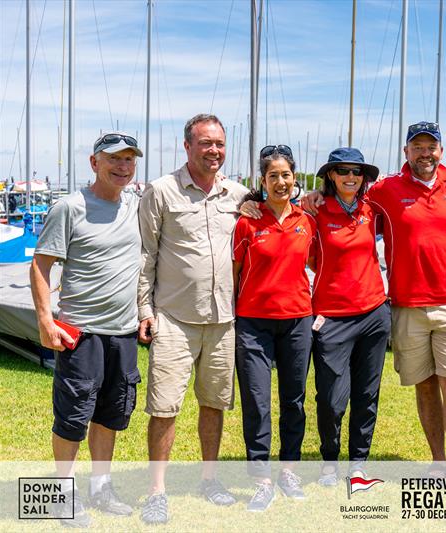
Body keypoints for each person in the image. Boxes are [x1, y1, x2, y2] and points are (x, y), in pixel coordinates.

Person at [303, 122, 446, 487]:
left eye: (431, 147)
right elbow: (298, 219)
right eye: (417, 147)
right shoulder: (384, 192)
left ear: (441, 151)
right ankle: (436, 463)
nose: (425, 153)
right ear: (406, 152)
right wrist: (308, 197)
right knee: (424, 386)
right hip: (404, 306)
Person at [137, 114, 250, 524]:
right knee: (164, 407)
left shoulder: (238, 195)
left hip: (223, 321)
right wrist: (144, 310)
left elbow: (279, 204)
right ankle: (156, 491)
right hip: (174, 320)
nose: (214, 150)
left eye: (219, 143)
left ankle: (209, 479)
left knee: (214, 404)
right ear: (187, 147)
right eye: (205, 143)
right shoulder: (161, 191)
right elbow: (145, 256)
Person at [30, 133, 143, 527]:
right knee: (73, 417)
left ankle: (100, 488)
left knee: (111, 415)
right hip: (81, 333)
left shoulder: (136, 205)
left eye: (130, 160)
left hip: (124, 332)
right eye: (114, 159)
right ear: (95, 163)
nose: (123, 166)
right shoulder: (70, 207)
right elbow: (41, 265)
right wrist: (45, 320)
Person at [233, 145, 317, 510]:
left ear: (294, 178)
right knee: (257, 401)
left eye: (286, 175)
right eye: (273, 176)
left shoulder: (307, 220)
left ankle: (288, 470)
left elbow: (318, 267)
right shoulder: (247, 221)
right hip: (253, 324)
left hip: (298, 320)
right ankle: (262, 478)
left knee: (293, 401)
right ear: (262, 181)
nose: (280, 182)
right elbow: (233, 274)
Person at [310, 147, 391, 486]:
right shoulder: (314, 210)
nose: (350, 177)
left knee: (366, 395)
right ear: (330, 175)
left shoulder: (373, 209)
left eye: (357, 172)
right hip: (331, 318)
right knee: (331, 399)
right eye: (342, 171)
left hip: (374, 313)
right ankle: (330, 460)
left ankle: (358, 462)